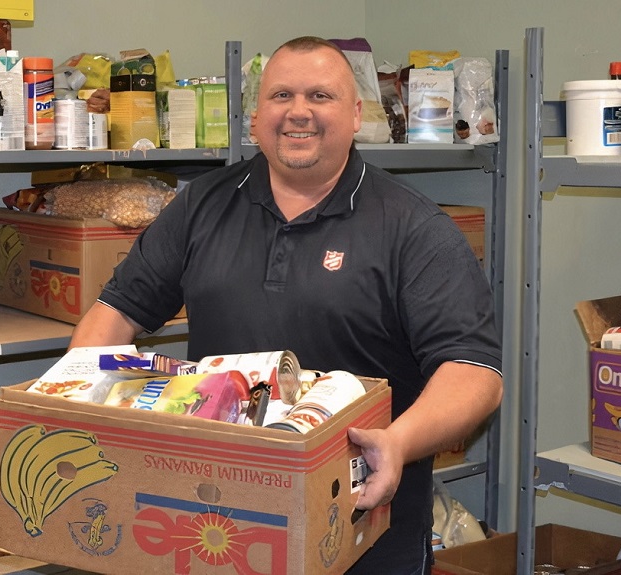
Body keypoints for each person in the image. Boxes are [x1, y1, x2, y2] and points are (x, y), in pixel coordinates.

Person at [70, 36, 503, 575]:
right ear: (255, 117)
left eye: (320, 96)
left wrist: (397, 442)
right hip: (212, 518)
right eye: (281, 96)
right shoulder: (202, 205)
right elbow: (115, 313)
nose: (298, 112)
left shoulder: (413, 227)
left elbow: (475, 373)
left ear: (355, 115)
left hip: (357, 525)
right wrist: (75, 405)